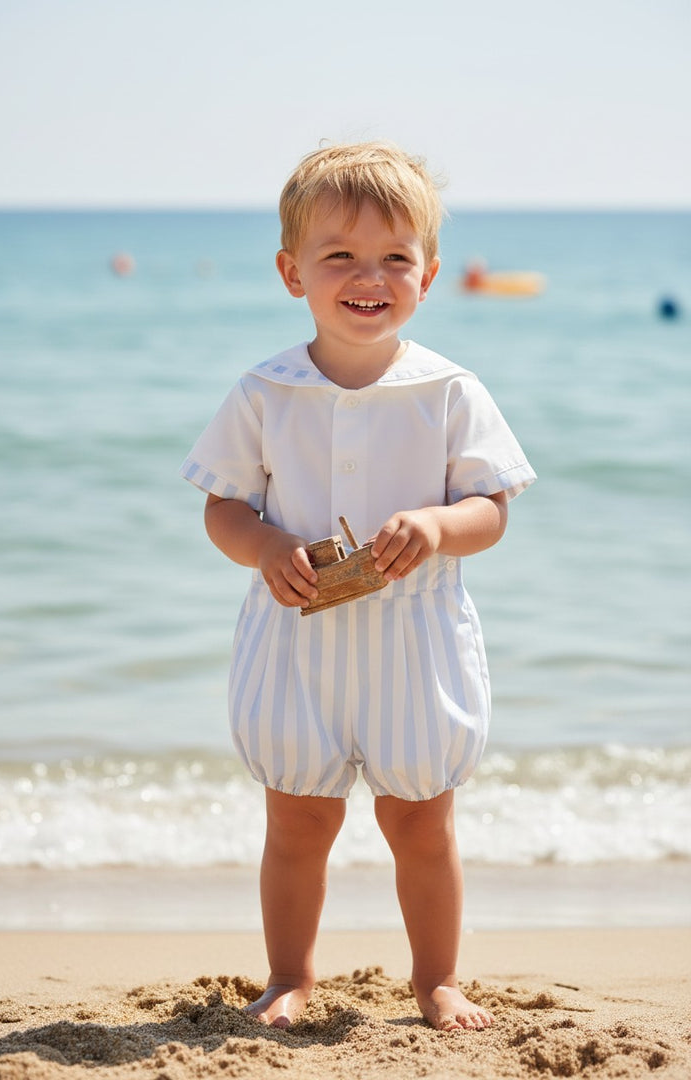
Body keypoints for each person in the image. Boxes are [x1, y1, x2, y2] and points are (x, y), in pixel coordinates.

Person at [181, 142, 536, 1032]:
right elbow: (224, 510)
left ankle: (436, 982)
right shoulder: (266, 391)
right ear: (290, 271)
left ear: (430, 273)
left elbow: (492, 511)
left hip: (416, 641)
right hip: (297, 639)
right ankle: (290, 976)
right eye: (338, 255)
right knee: (298, 820)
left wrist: (438, 525)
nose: (366, 276)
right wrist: (265, 548)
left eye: (394, 258)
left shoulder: (450, 389)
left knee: (421, 822)